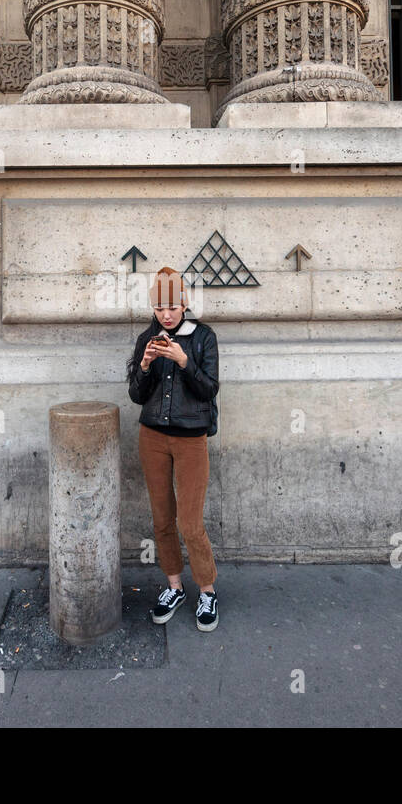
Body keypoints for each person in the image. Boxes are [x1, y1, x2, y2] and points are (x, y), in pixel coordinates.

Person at [125, 267, 221, 631]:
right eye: (160, 307)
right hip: (152, 438)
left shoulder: (203, 338)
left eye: (173, 306)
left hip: (191, 439)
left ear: (184, 303)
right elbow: (136, 395)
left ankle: (207, 590)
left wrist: (183, 361)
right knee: (163, 519)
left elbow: (210, 389)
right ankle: (175, 586)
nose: (167, 314)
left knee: (190, 522)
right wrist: (147, 365)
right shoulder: (146, 338)